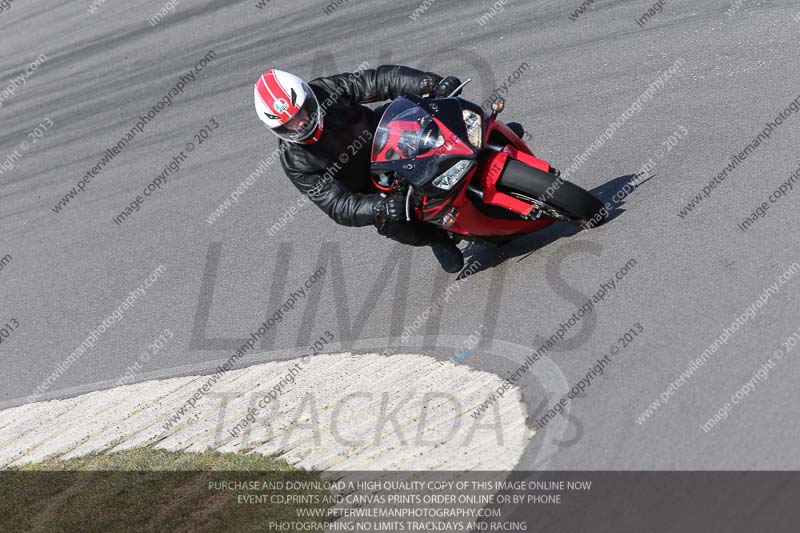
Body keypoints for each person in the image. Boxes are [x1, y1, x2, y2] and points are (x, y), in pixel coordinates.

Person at [254, 65, 466, 273]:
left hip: (385, 136)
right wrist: (377, 208)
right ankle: (437, 237)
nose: (300, 124)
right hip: (368, 184)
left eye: (301, 112)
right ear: (279, 129)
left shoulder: (326, 90)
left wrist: (428, 83)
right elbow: (337, 205)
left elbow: (379, 80)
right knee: (392, 220)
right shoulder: (294, 161)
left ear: (309, 98)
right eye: (289, 123)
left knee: (438, 114)